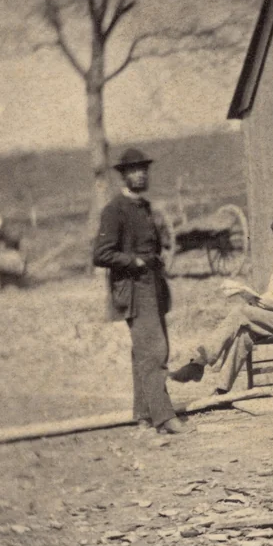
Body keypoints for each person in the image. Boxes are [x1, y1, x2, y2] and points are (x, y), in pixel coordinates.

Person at [171, 212, 273, 394]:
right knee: (244, 333)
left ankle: (200, 361)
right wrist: (256, 299)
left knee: (241, 313)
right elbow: (272, 293)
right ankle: (221, 388)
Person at [93, 147, 187, 436]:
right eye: (134, 170)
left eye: (144, 169)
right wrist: (132, 260)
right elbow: (101, 254)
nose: (140, 174)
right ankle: (165, 418)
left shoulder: (144, 207)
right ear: (123, 176)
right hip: (133, 288)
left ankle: (144, 415)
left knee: (144, 353)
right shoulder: (114, 210)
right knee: (155, 351)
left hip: (153, 285)